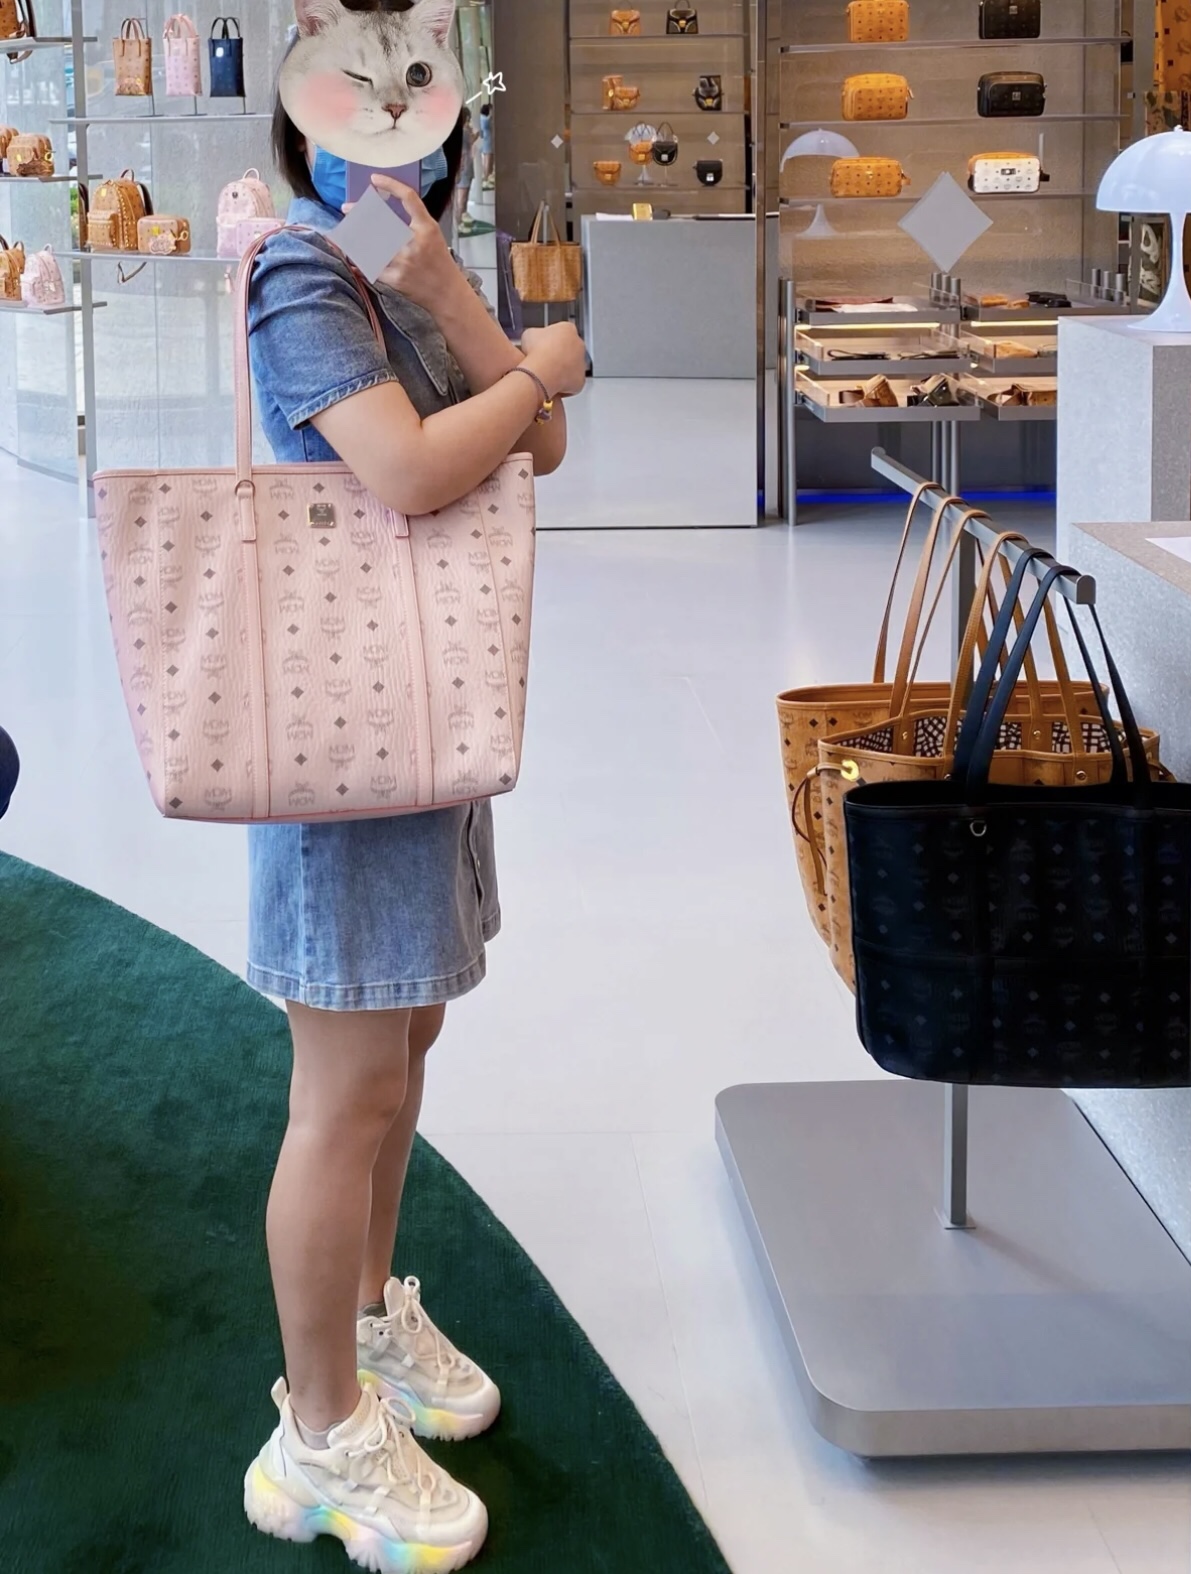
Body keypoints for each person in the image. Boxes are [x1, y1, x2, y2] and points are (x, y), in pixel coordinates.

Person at [241, 50, 587, 1574]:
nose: (393, 131)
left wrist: (459, 300)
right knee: (345, 1085)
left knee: (404, 1047)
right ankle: (316, 1433)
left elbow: (538, 443)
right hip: (341, 728)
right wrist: (533, 371)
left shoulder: (400, 260)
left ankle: (371, 1322)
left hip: (427, 711)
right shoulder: (300, 274)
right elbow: (407, 467)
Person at [454, 107, 483, 236]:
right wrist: (476, 134)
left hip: (466, 166)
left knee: (464, 196)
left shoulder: (462, 131)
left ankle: (462, 217)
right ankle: (458, 223)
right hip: (464, 167)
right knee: (462, 197)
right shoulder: (463, 131)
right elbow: (471, 140)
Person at [479, 102, 494, 190]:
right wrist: (491, 114)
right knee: (487, 160)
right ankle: (486, 178)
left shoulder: (482, 118)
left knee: (487, 160)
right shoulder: (484, 119)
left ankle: (486, 177)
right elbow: (488, 122)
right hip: (487, 141)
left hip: (486, 141)